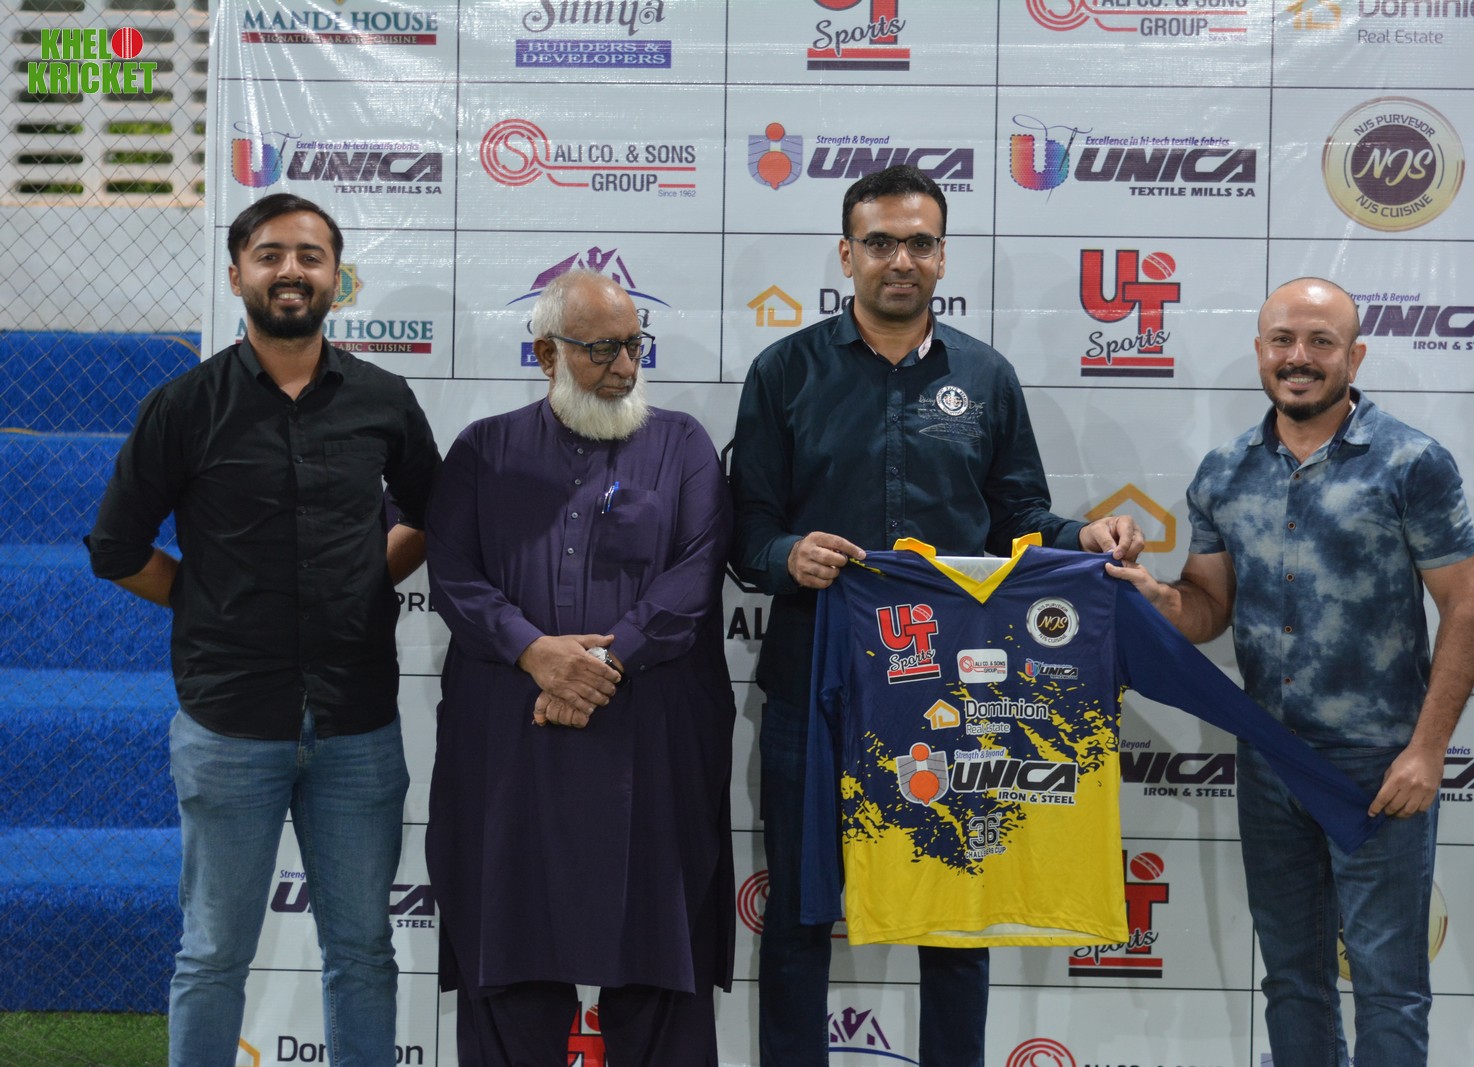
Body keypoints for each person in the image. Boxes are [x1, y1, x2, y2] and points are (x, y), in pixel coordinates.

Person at [729, 164, 1143, 1066]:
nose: (900, 260)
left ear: (943, 256)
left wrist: (1083, 534)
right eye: (880, 242)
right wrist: (787, 554)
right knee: (800, 912)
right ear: (846, 255)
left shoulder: (986, 376)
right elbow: (746, 531)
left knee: (956, 911)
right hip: (814, 687)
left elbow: (1018, 519)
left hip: (948, 698)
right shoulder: (783, 372)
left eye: (919, 242)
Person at [86, 193, 440, 1066]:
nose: (291, 270)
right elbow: (116, 548)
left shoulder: (384, 400)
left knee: (364, 952)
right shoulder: (184, 406)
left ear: (336, 278)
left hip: (358, 725)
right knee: (212, 956)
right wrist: (208, 601)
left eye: (310, 256)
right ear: (237, 272)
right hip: (229, 725)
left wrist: (363, 581)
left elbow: (434, 516)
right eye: (271, 254)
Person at [1109, 277, 1474, 1066]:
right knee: (1292, 980)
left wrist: (1427, 750)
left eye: (1321, 341)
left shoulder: (1412, 462)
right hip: (1270, 758)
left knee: (1389, 984)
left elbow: (1465, 609)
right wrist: (1154, 597)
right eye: (1283, 339)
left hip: (1378, 767)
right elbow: (1207, 607)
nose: (1299, 357)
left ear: (1355, 355)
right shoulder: (1223, 470)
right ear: (1260, 350)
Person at [424, 269, 735, 1067]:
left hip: (650, 744)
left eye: (634, 345)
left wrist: (598, 663)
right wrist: (536, 653)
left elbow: (695, 577)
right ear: (545, 354)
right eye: (601, 350)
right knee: (509, 957)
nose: (625, 367)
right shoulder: (483, 450)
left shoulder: (685, 446)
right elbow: (454, 576)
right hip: (513, 745)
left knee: (661, 966)